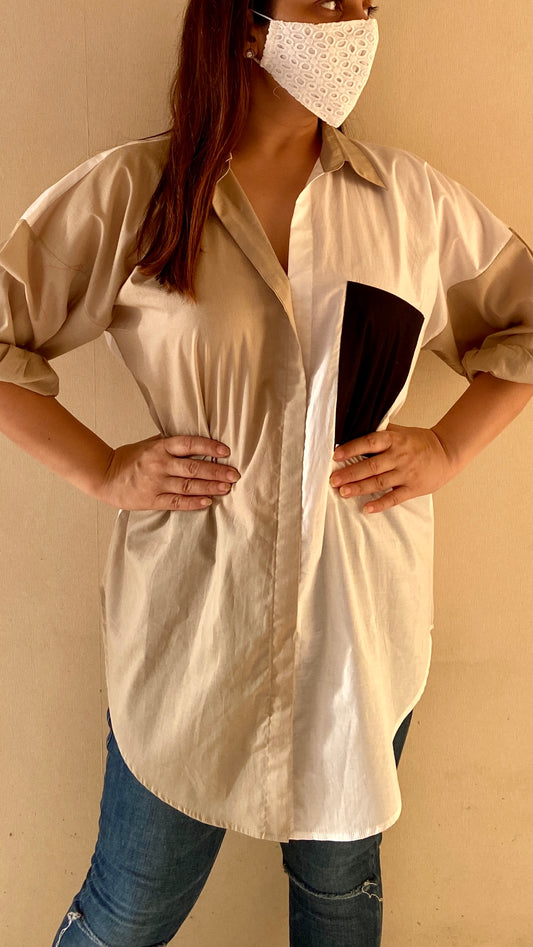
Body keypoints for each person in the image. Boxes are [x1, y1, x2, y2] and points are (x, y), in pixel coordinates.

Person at [0, 0, 531, 944]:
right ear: (247, 27)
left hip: (355, 619)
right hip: (193, 620)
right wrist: (105, 468)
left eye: (364, 2)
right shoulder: (139, 192)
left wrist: (448, 446)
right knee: (128, 907)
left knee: (339, 894)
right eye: (325, 2)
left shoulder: (409, 205)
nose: (354, 21)